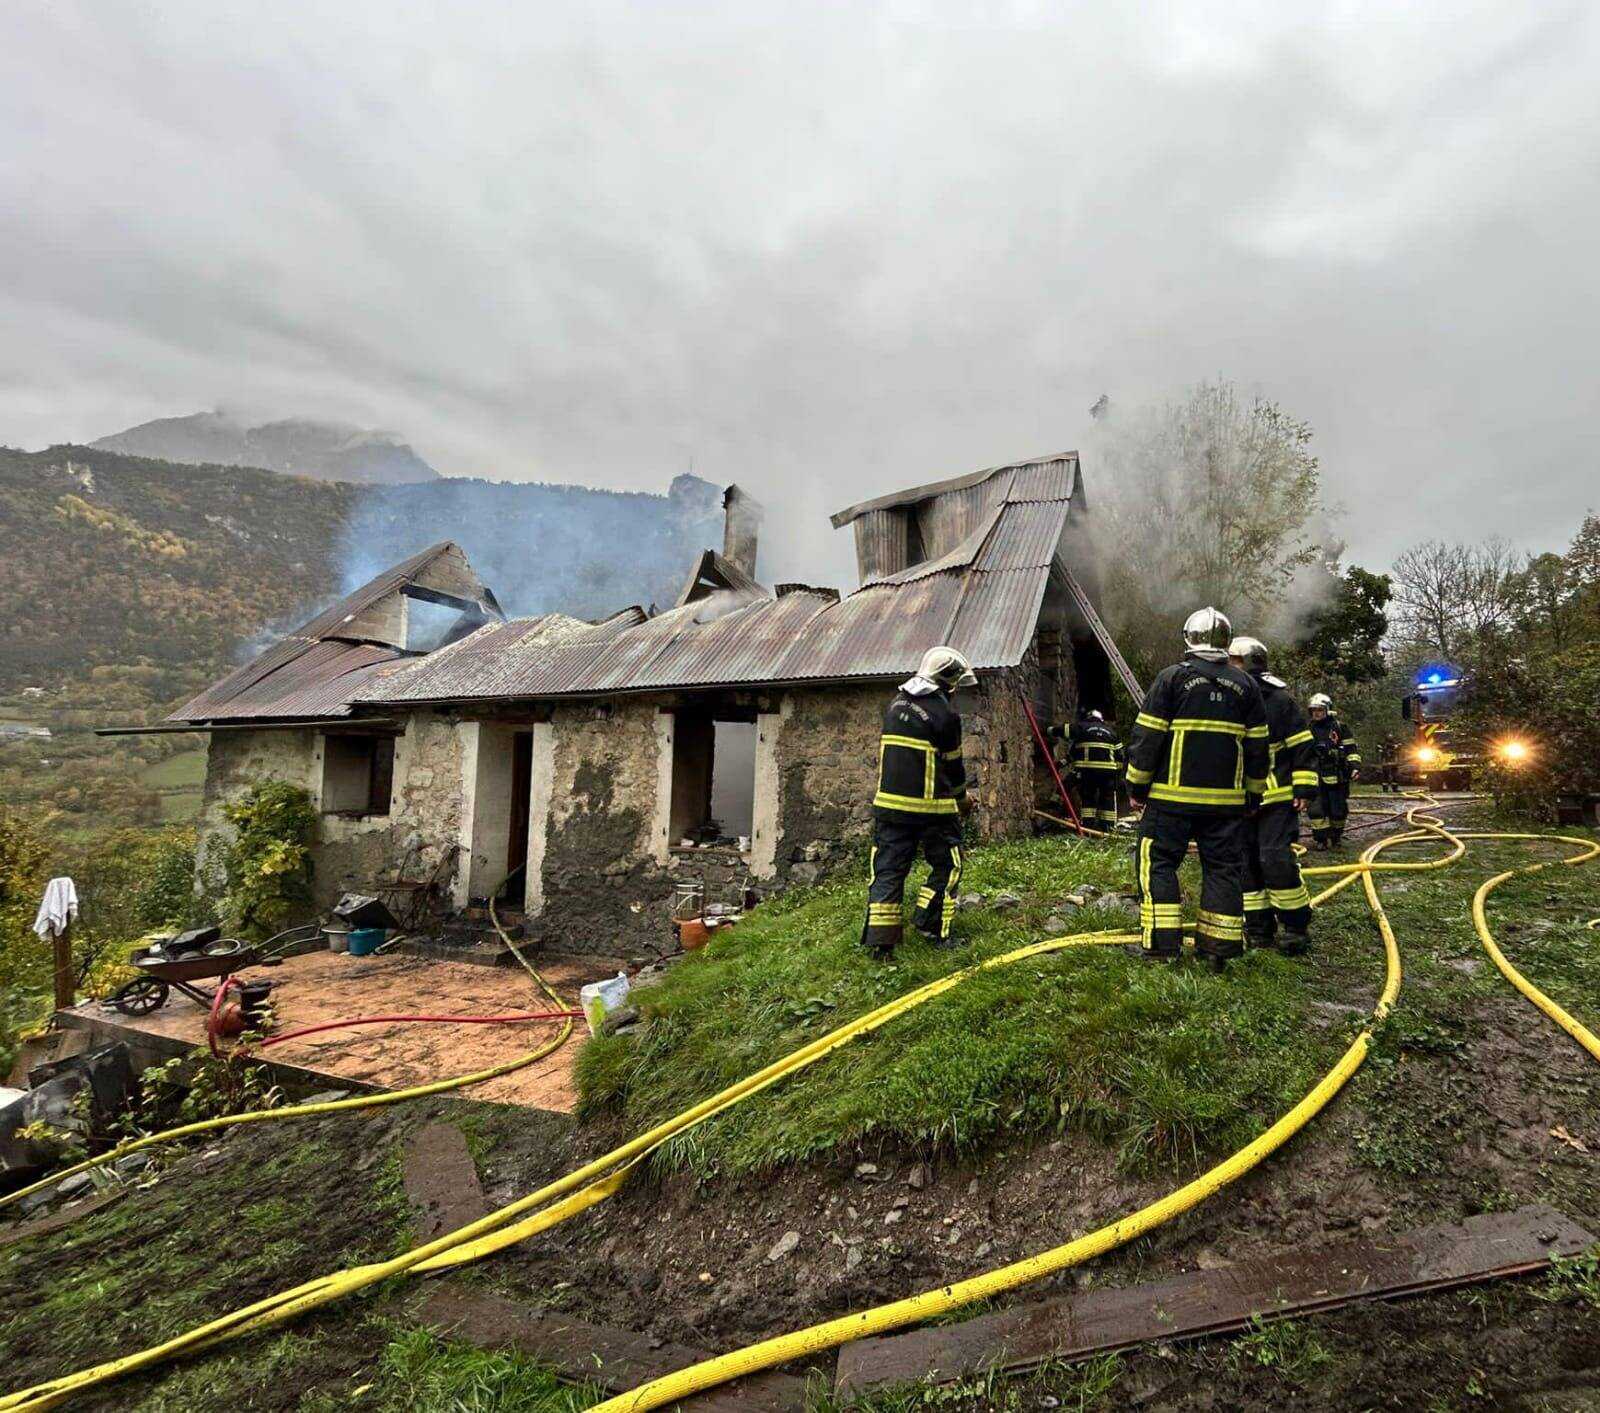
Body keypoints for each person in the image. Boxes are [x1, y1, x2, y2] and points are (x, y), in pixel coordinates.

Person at [1124, 607, 1269, 972]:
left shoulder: (1171, 679)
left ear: (1189, 638)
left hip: (1170, 801)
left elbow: (1148, 738)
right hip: (1226, 805)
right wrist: (1252, 795)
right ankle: (1216, 951)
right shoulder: (1247, 686)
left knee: (1158, 863)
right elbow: (1257, 749)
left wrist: (1137, 786)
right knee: (1223, 869)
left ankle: (1161, 948)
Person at [860, 645, 976, 958]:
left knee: (887, 871)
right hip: (932, 810)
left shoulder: (895, 705)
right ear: (949, 683)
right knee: (949, 865)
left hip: (889, 808)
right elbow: (953, 766)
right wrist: (963, 798)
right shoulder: (945, 714)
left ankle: (881, 945)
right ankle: (930, 925)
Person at [1228, 636, 1318, 954]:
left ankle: (1294, 927)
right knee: (1245, 865)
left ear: (1250, 662)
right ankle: (1258, 930)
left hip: (1275, 799)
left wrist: (1305, 788)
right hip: (1235, 802)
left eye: (1234, 661)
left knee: (1274, 859)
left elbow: (1302, 747)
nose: (1228, 667)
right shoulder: (1222, 698)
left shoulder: (1277, 701)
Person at [1307, 693, 1361, 848]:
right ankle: (1321, 839)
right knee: (1317, 810)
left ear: (1328, 710)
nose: (1316, 713)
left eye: (1319, 710)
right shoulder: (1308, 729)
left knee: (1338, 811)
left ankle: (1336, 835)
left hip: (1338, 776)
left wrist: (1355, 767)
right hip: (1316, 775)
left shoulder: (1339, 728)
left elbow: (1351, 749)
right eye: (1313, 710)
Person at [1066, 708, 1124, 830]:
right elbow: (1120, 756)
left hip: (1088, 773)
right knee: (1107, 799)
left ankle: (1088, 827)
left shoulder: (1082, 728)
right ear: (1101, 720)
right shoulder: (1112, 732)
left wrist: (1048, 730)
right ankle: (1108, 829)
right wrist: (1117, 773)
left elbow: (1065, 731)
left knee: (1088, 798)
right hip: (1108, 774)